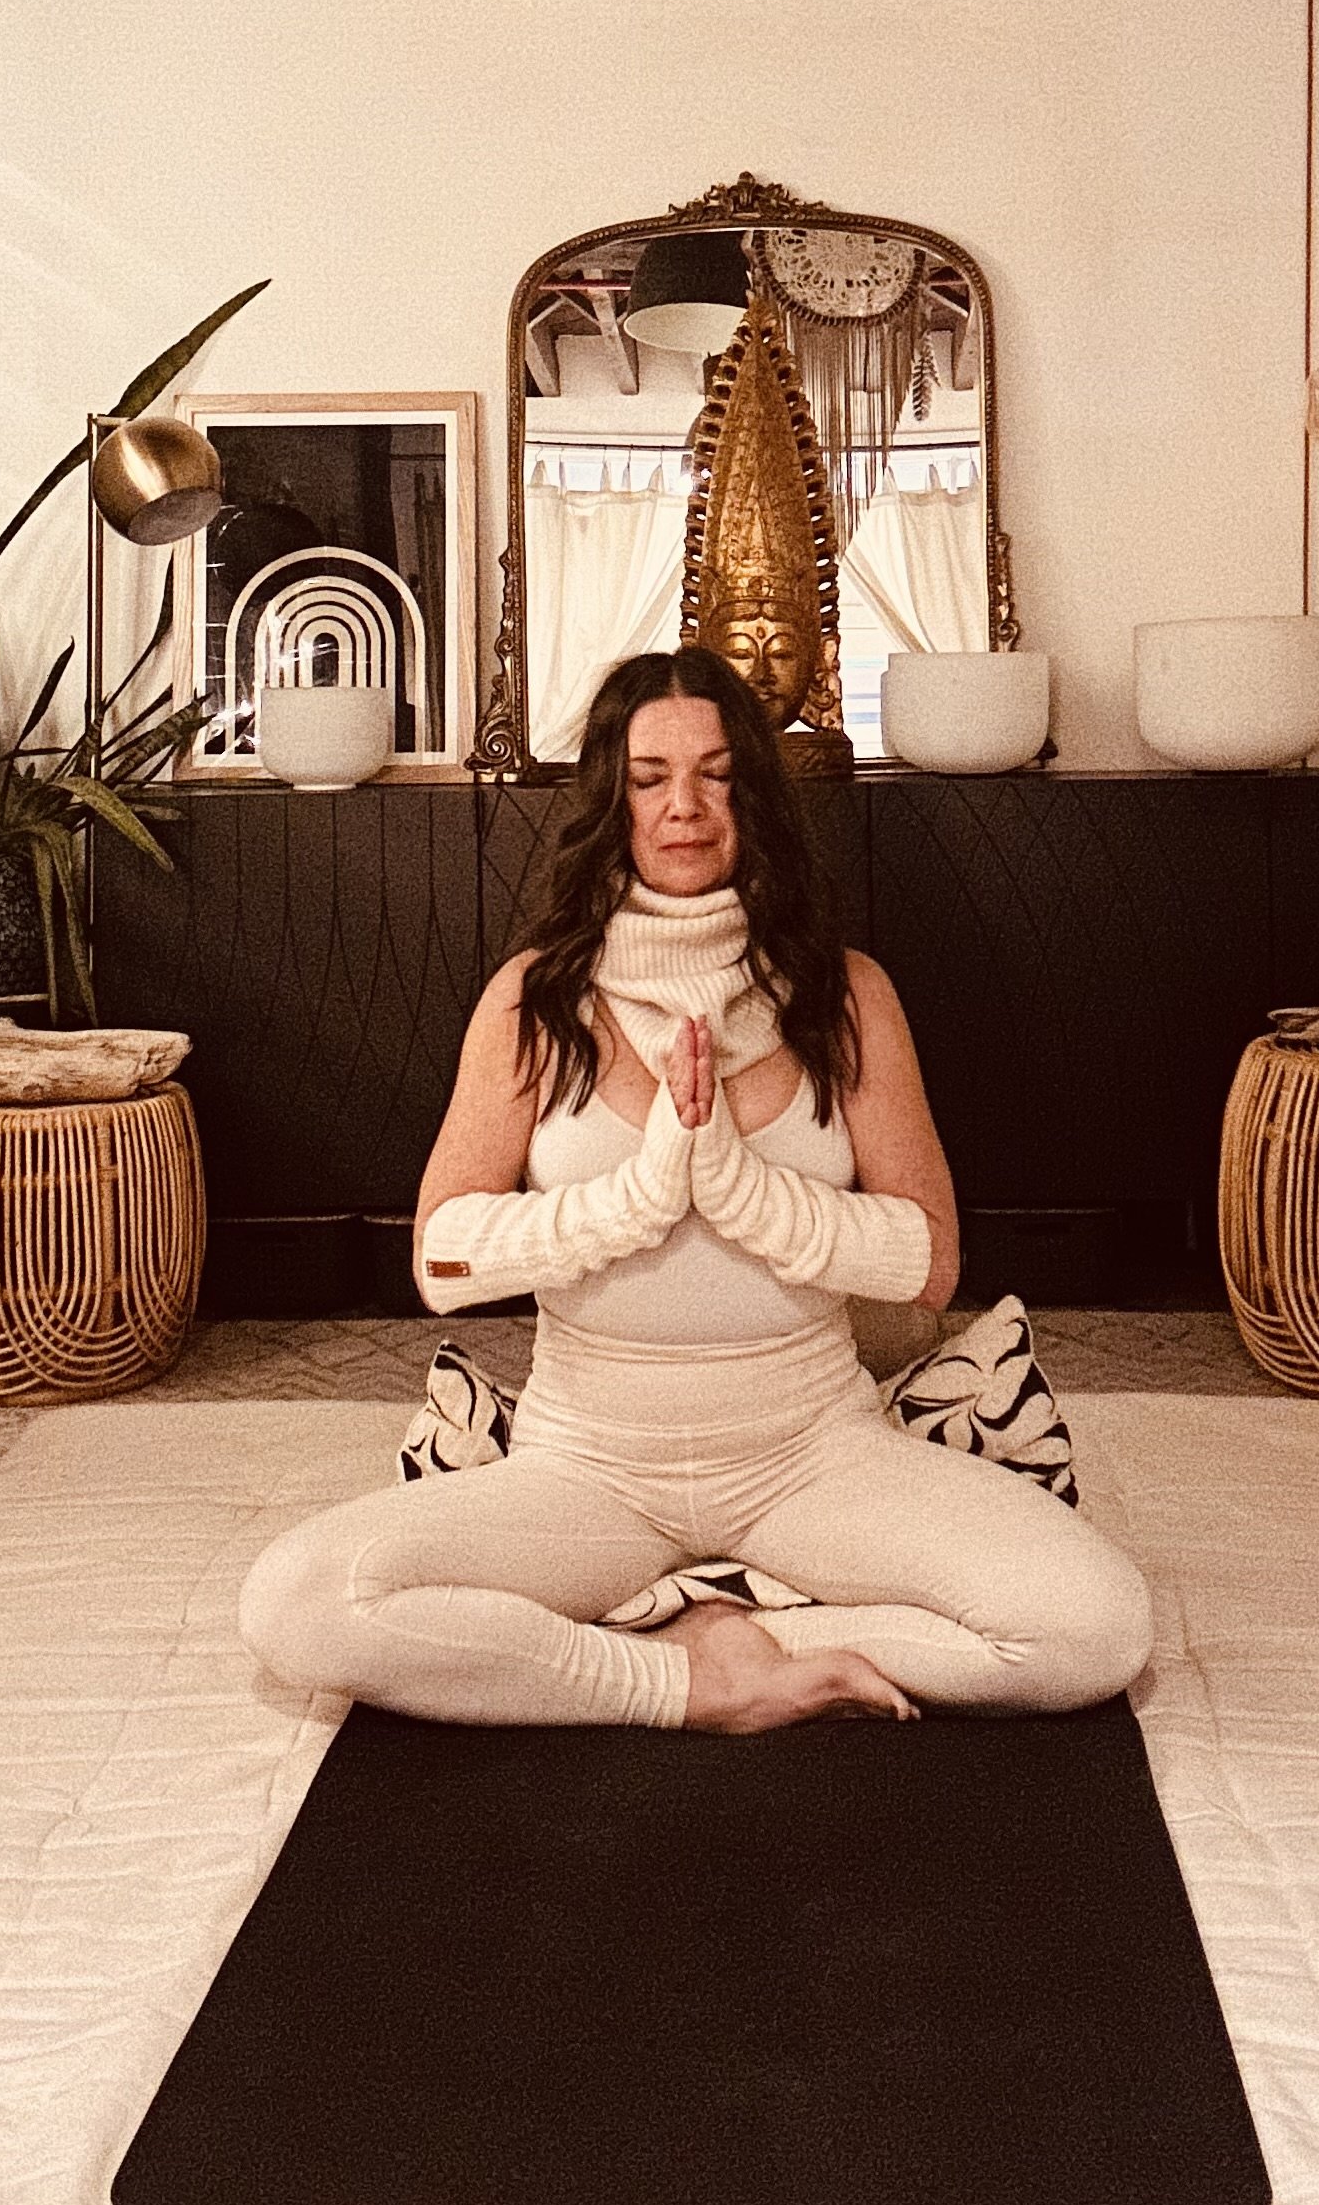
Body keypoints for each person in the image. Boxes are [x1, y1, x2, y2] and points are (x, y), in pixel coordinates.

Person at [238, 647, 1151, 1734]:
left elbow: (926, 1260)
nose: (684, 807)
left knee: (1096, 1625)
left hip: (808, 1453)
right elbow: (443, 1260)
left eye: (718, 776)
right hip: (589, 1466)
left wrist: (732, 1179)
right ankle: (680, 1678)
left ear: (754, 799)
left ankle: (713, 1630)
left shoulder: (845, 996)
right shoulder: (537, 999)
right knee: (295, 1603)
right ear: (608, 799)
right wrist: (640, 1193)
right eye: (649, 776)